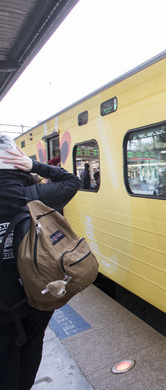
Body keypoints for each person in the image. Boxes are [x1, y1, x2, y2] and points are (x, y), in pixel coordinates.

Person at [0, 133, 81, 389]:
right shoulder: (32, 193)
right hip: (36, 297)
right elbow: (72, 180)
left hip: (2, 308)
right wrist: (35, 166)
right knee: (33, 349)